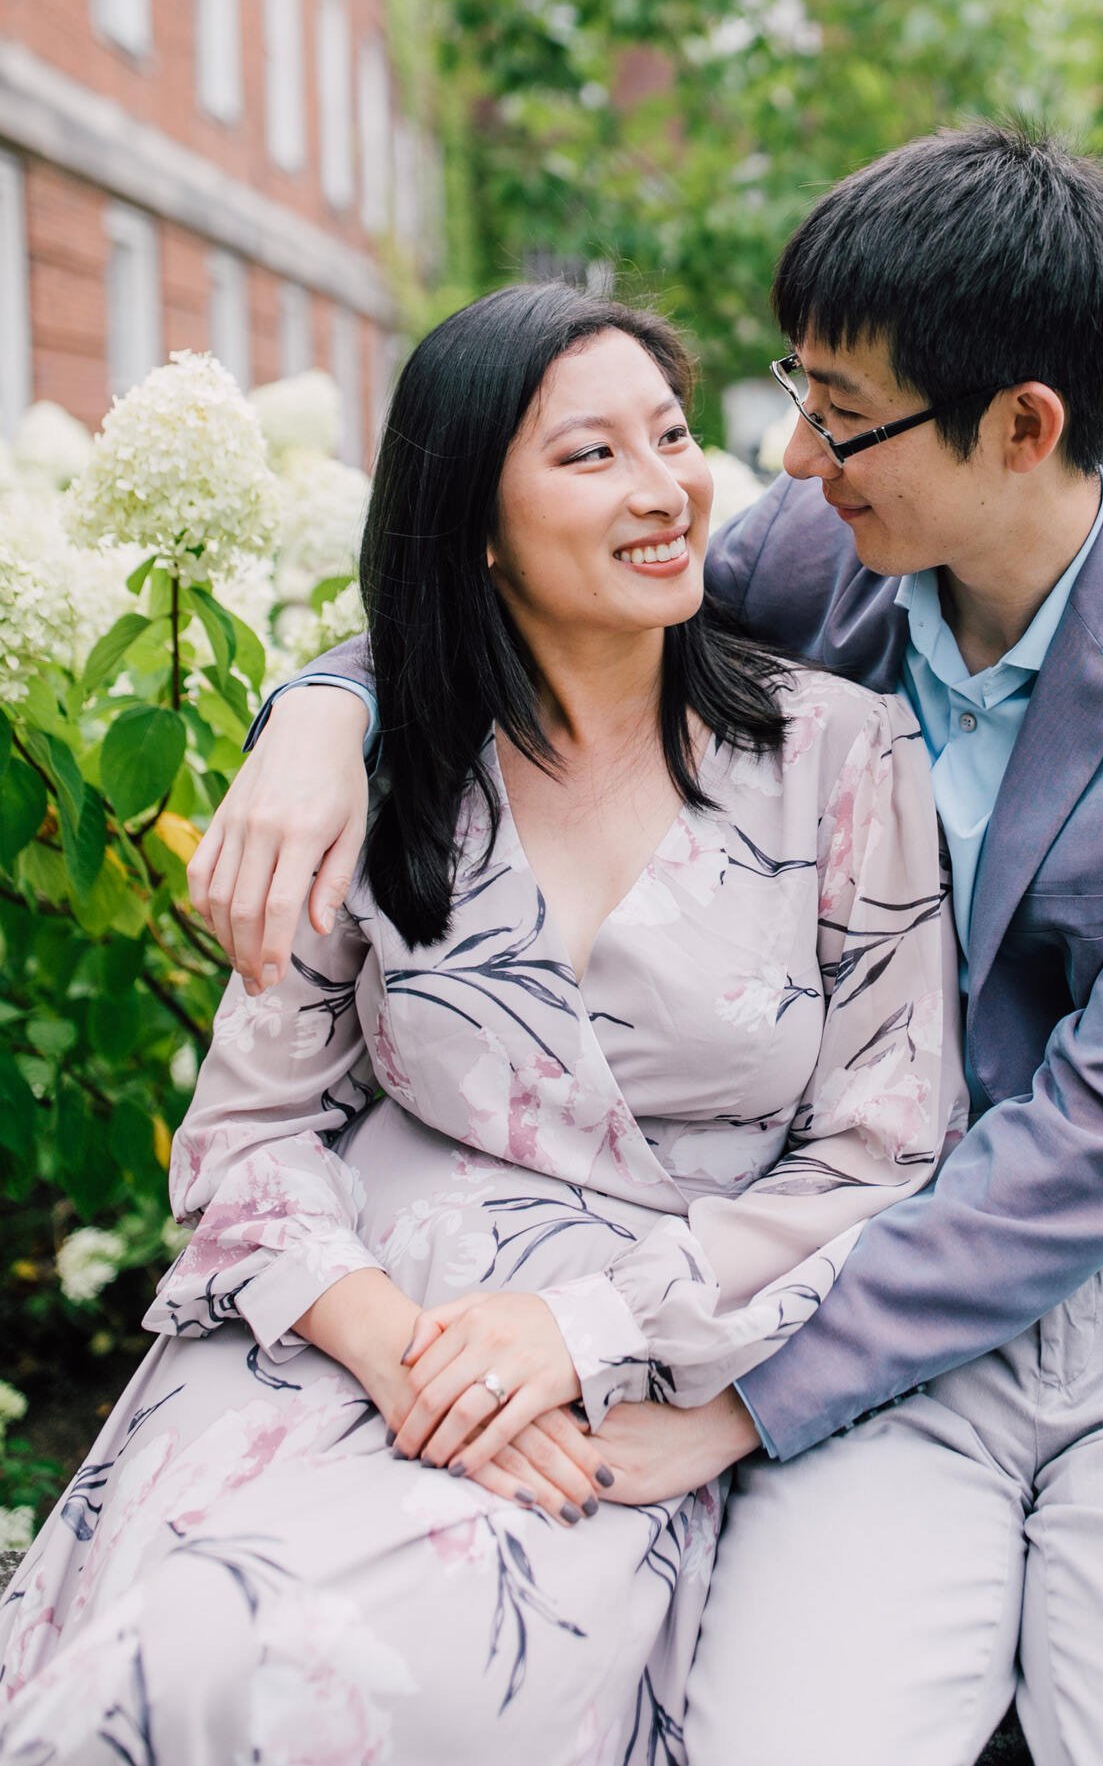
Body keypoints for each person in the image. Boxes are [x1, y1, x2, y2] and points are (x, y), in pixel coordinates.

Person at [183, 126, 1103, 1766]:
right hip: (840, 1313)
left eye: (841, 419)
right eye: (795, 395)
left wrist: (733, 1404)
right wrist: (323, 707)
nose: (786, 457)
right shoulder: (809, 565)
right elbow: (500, 568)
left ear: (1022, 427)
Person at [0, 287, 961, 1765]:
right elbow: (250, 1131)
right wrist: (401, 1353)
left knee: (404, 1674)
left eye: (673, 433)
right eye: (591, 457)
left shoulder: (838, 758)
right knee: (179, 1645)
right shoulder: (380, 775)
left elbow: (884, 1153)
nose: (665, 489)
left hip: (631, 1367)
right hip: (342, 1328)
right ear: (479, 521)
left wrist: (582, 1336)